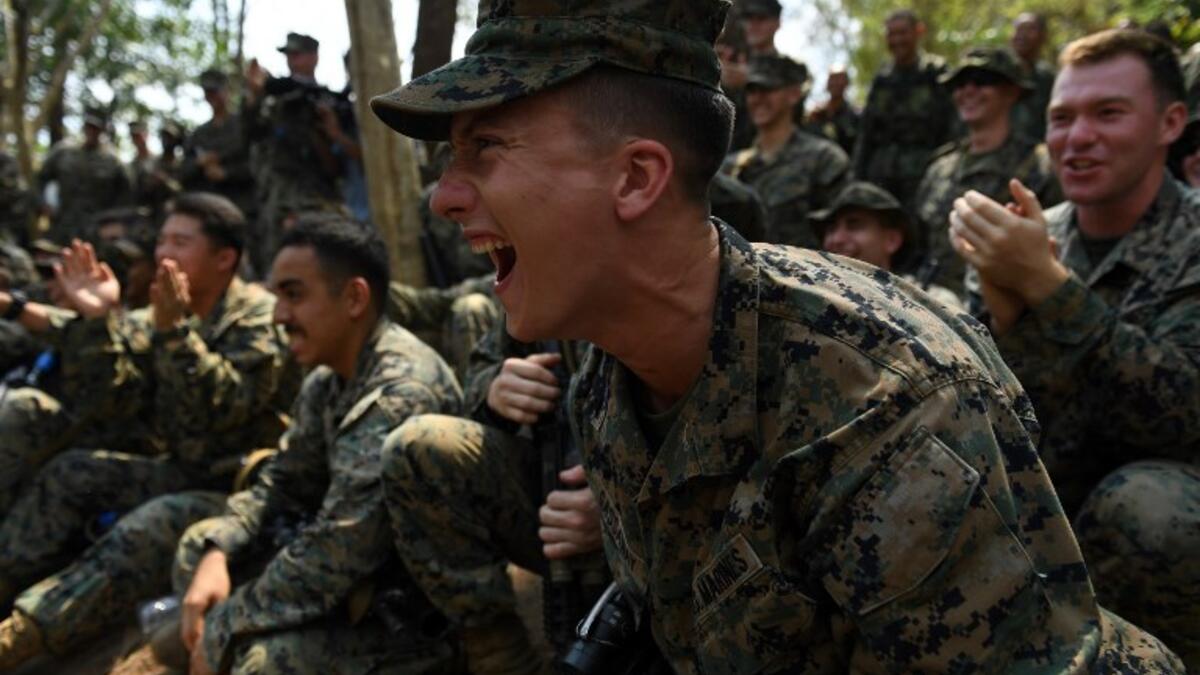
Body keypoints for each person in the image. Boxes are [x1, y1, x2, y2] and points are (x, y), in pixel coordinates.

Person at [370, 1, 1182, 672]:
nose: (445, 196)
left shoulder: (888, 405)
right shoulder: (609, 368)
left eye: (485, 148)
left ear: (636, 178)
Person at [950, 29, 1199, 668]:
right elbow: (997, 425)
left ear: (1171, 122)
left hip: (1163, 502)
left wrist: (1048, 289)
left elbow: (1180, 416)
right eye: (1062, 118)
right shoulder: (1034, 232)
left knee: (1147, 508)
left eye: (1108, 113)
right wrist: (1005, 317)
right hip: (1058, 483)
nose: (1076, 137)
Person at [174, 215, 463, 674]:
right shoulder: (327, 380)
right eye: (276, 297)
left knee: (264, 664)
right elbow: (282, 484)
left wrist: (227, 624)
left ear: (354, 297)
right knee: (200, 550)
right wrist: (219, 548)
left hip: (415, 620)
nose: (279, 316)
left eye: (294, 295)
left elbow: (338, 550)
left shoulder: (399, 391)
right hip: (354, 591)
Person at [0, 193, 292, 607]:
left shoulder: (259, 317)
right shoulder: (166, 310)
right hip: (178, 468)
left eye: (179, 243)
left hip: (236, 487)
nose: (162, 254)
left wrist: (174, 334)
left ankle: (29, 626)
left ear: (224, 258)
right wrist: (84, 315)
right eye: (162, 241)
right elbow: (98, 335)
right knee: (68, 470)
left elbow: (226, 407)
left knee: (138, 532)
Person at [912, 47, 1061, 295]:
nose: (968, 90)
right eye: (960, 84)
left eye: (982, 82)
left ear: (1012, 92)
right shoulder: (939, 167)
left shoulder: (1040, 165)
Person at [242, 32, 349, 277]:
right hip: (275, 198)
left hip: (316, 200)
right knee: (275, 267)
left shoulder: (326, 100)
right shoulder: (275, 99)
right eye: (288, 55)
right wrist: (254, 96)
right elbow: (249, 134)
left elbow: (336, 165)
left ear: (314, 57)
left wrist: (320, 129)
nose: (291, 61)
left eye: (297, 54)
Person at [721, 55, 848, 248]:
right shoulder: (730, 167)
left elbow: (841, 234)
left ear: (794, 94)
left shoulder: (824, 159)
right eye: (752, 91)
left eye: (768, 89)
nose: (757, 99)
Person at [853, 9, 957, 206]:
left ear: (918, 32)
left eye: (903, 32)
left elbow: (952, 127)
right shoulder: (882, 79)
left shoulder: (936, 72)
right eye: (891, 34)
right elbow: (866, 134)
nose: (897, 40)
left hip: (924, 178)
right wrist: (857, 178)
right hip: (880, 179)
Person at [812, 181, 962, 310]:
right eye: (831, 229)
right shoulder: (811, 294)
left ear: (892, 240)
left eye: (854, 226)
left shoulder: (934, 303)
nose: (837, 239)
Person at [37, 106, 131, 244]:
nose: (91, 132)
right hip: (62, 225)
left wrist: (112, 221)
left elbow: (126, 196)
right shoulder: (63, 152)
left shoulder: (113, 161)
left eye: (96, 128)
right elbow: (40, 180)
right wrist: (43, 204)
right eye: (89, 127)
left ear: (102, 131)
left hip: (96, 230)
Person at [181, 69, 258, 226]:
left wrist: (227, 174)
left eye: (215, 91)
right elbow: (183, 173)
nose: (211, 97)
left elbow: (259, 165)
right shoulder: (199, 134)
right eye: (207, 92)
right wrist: (199, 164)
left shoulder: (244, 126)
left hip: (241, 209)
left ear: (227, 91)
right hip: (207, 213)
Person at [1010, 12, 1057, 142]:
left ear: (1043, 36)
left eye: (1029, 29)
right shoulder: (997, 74)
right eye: (1018, 29)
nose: (1021, 35)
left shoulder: (1048, 78)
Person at [805, 64, 860, 154]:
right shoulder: (816, 114)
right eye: (832, 78)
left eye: (839, 78)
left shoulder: (855, 116)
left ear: (846, 83)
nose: (836, 83)